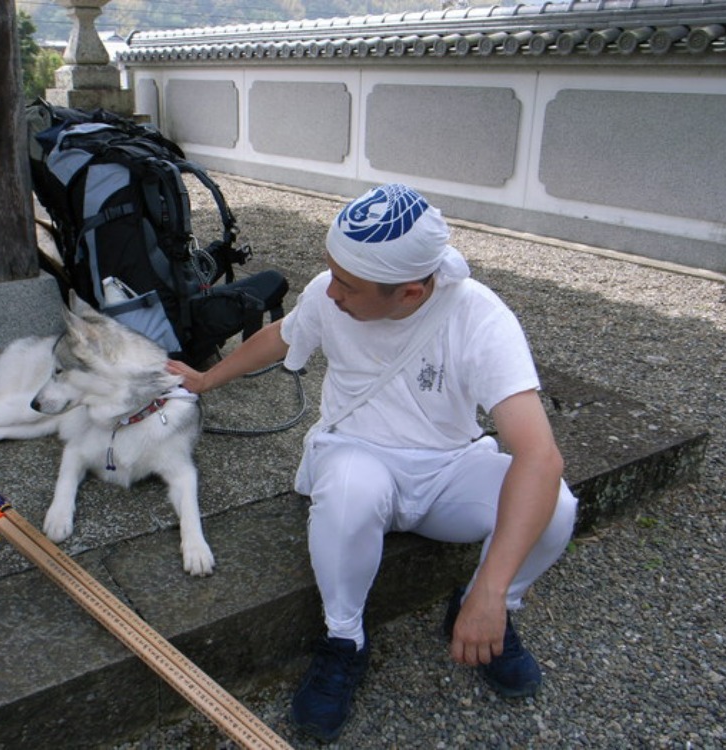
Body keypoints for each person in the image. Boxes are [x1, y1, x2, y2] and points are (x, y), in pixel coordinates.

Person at [167, 184, 577, 742]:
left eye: (347, 285)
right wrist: (206, 379)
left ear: (410, 293)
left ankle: (488, 610)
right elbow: (281, 335)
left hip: (445, 470)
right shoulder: (329, 293)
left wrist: (491, 590)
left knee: (556, 506)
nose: (329, 292)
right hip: (354, 452)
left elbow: (539, 455)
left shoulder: (478, 316)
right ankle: (344, 642)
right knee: (351, 492)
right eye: (330, 272)